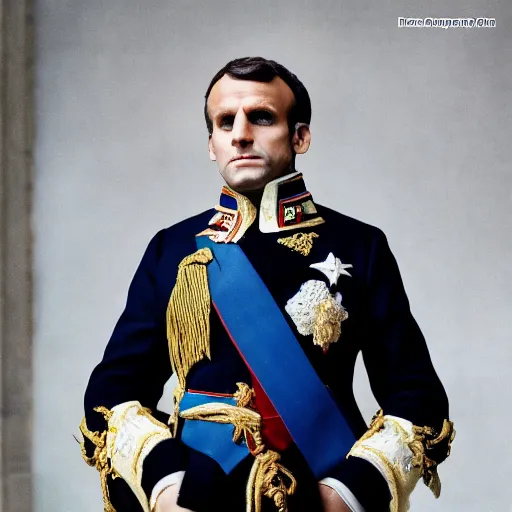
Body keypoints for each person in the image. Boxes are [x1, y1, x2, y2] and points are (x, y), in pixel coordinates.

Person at [78, 57, 455, 512]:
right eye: (224, 122)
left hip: (318, 489)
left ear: (300, 136)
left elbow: (417, 397)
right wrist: (165, 484)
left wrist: (348, 494)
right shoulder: (173, 249)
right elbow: (113, 393)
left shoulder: (360, 245)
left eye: (261, 117)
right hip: (195, 494)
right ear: (211, 145)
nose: (240, 133)